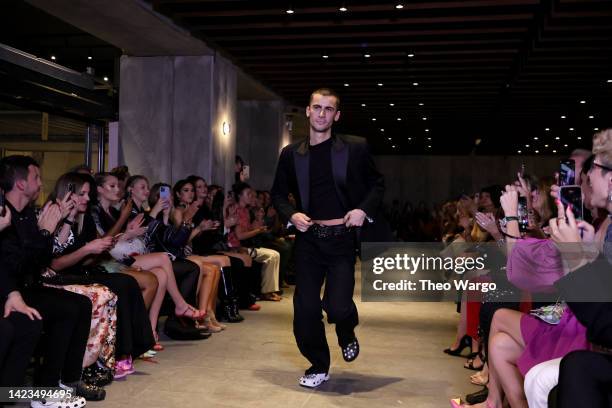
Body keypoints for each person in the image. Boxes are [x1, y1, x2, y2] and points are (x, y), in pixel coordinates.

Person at [271, 88, 388, 388]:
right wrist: (291, 214)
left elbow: (377, 184)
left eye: (328, 109)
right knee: (306, 309)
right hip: (309, 239)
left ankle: (346, 329)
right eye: (317, 107)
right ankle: (318, 364)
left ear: (337, 115)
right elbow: (277, 194)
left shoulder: (355, 148)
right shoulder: (291, 154)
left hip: (341, 239)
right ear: (308, 111)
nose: (322, 113)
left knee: (336, 307)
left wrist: (362, 209)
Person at [0, 155, 103, 406]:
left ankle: (66, 381)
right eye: (36, 177)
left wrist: (52, 226)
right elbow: (16, 265)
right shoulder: (6, 215)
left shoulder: (25, 215)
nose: (40, 183)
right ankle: (37, 391)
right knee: (44, 316)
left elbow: (41, 260)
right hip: (13, 289)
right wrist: (45, 231)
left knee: (80, 304)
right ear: (22, 184)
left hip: (24, 286)